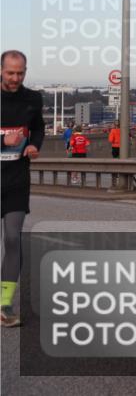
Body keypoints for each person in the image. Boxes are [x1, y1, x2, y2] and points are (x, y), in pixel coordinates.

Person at [1, 50, 44, 327]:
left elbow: (38, 128)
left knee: (14, 239)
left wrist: (33, 145)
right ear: (0, 71)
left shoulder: (33, 99)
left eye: (21, 73)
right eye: (10, 73)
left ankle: (4, 304)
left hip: (16, 179)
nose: (16, 78)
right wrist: (4, 141)